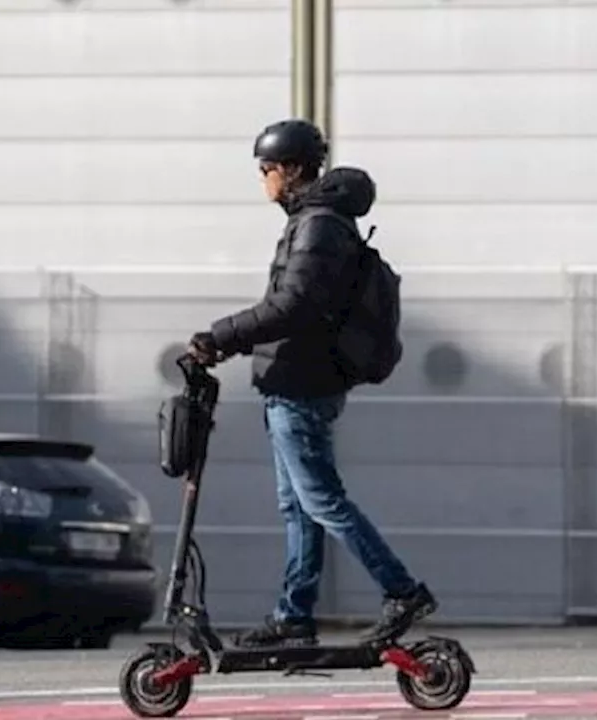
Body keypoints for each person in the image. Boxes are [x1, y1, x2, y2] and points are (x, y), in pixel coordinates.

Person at [185, 118, 437, 649]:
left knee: (321, 499)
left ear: (292, 168)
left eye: (266, 169)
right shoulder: (314, 221)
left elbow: (294, 304)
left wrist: (221, 337)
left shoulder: (318, 224)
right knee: (299, 504)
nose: (263, 181)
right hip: (294, 382)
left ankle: (401, 590)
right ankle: (293, 614)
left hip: (301, 384)